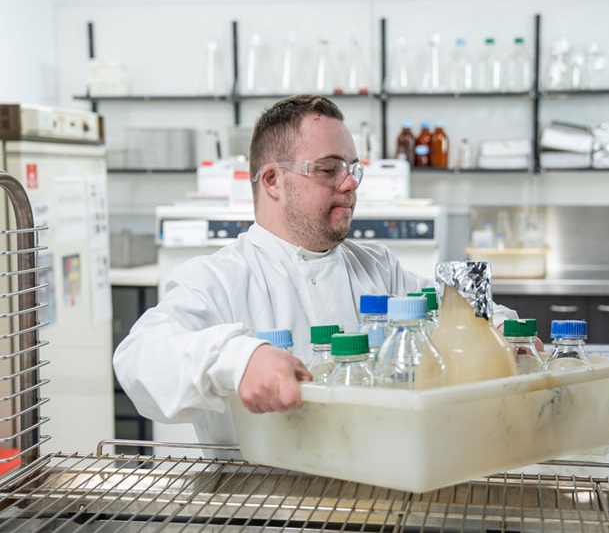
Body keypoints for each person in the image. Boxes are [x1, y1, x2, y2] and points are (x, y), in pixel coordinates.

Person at [113, 94, 518, 449]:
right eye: (328, 170)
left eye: (353, 169)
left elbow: (460, 312)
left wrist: (497, 331)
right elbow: (139, 357)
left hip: (375, 496)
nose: (349, 184)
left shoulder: (377, 267)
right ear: (272, 180)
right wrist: (240, 358)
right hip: (262, 505)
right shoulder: (217, 279)